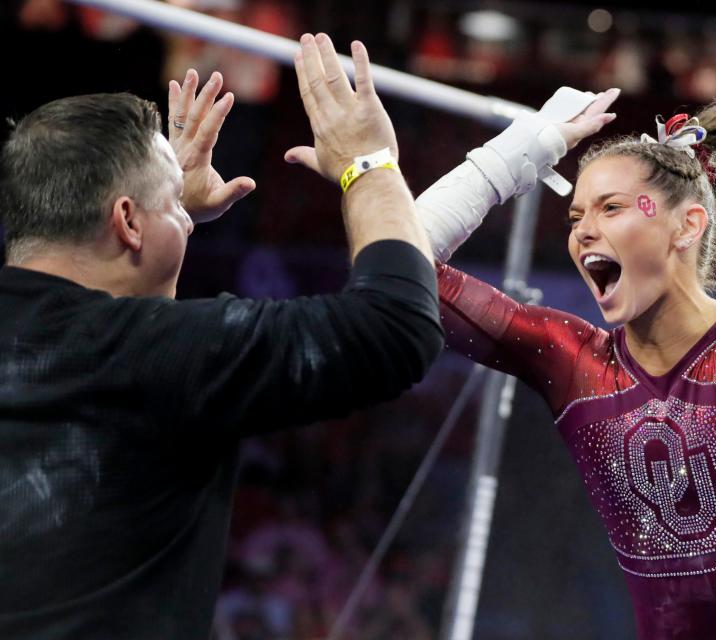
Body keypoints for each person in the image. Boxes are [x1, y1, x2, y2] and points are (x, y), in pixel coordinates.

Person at [0, 34, 442, 639]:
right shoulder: (156, 354)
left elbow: (109, 350)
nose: (185, 211)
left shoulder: (132, 352)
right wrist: (368, 165)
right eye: (172, 203)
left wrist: (164, 223)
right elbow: (396, 327)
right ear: (127, 221)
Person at [414, 66, 716, 638]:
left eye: (610, 208)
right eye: (574, 216)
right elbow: (400, 270)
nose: (583, 230)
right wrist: (518, 153)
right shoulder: (575, 363)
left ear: (688, 225)